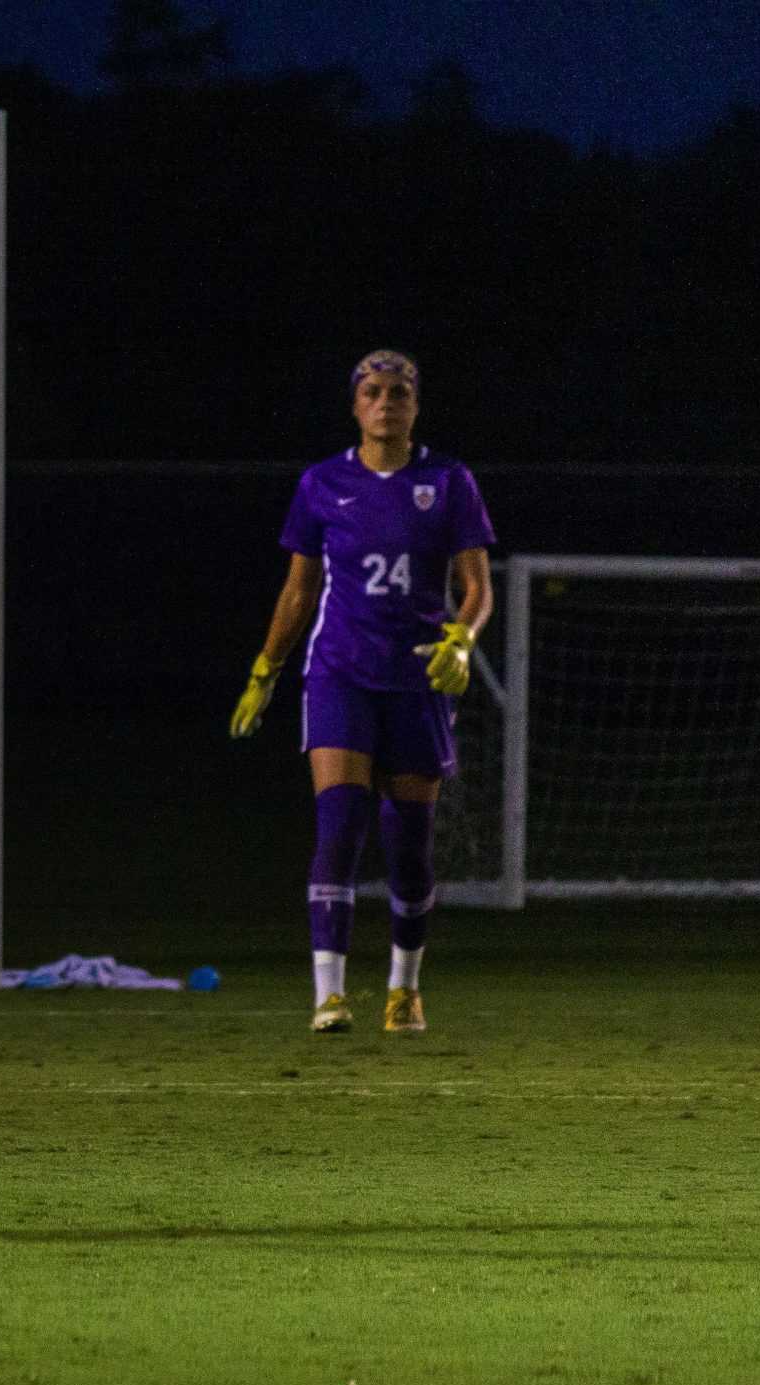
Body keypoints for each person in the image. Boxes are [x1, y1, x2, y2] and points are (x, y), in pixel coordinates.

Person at [229, 349, 496, 1034]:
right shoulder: (323, 483)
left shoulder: (449, 481)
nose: (386, 403)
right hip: (339, 672)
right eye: (373, 392)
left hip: (416, 678)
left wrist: (460, 640)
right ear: (355, 405)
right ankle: (329, 993)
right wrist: (266, 668)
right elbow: (299, 589)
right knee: (340, 822)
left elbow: (478, 589)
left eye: (399, 392)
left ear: (415, 405)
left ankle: (403, 989)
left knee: (409, 844)